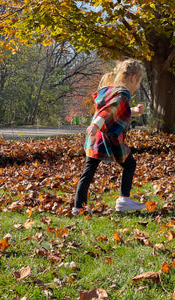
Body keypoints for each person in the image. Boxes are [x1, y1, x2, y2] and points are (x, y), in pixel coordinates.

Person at [72, 59, 146, 215]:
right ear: (133, 78)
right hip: (108, 137)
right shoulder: (123, 93)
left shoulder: (112, 90)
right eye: (139, 82)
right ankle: (124, 200)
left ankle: (78, 208)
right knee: (130, 164)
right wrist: (96, 124)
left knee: (88, 171)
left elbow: (117, 110)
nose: (138, 86)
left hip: (96, 138)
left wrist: (134, 110)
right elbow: (110, 109)